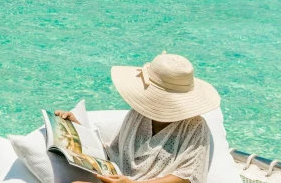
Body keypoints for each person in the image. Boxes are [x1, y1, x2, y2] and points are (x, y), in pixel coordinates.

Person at [56, 53, 219, 183]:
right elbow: (114, 153)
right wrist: (77, 129)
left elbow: (185, 177)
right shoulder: (139, 114)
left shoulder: (195, 126)